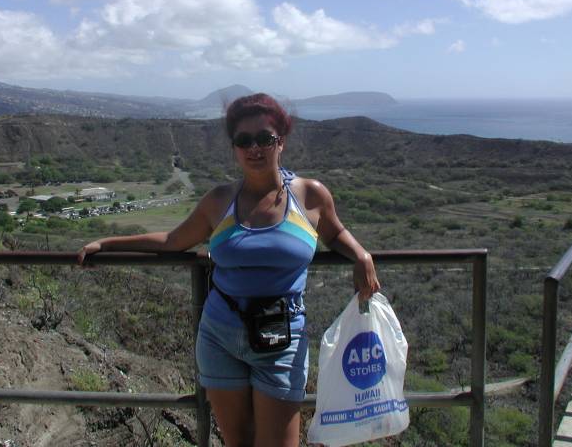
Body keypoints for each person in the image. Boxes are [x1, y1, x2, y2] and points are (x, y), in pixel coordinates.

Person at [78, 93, 380, 447]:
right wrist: (107, 244)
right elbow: (173, 240)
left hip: (281, 338)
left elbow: (335, 232)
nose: (255, 148)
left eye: (265, 138)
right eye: (244, 140)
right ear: (234, 148)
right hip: (219, 335)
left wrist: (361, 255)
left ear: (281, 141)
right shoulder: (219, 200)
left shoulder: (309, 196)